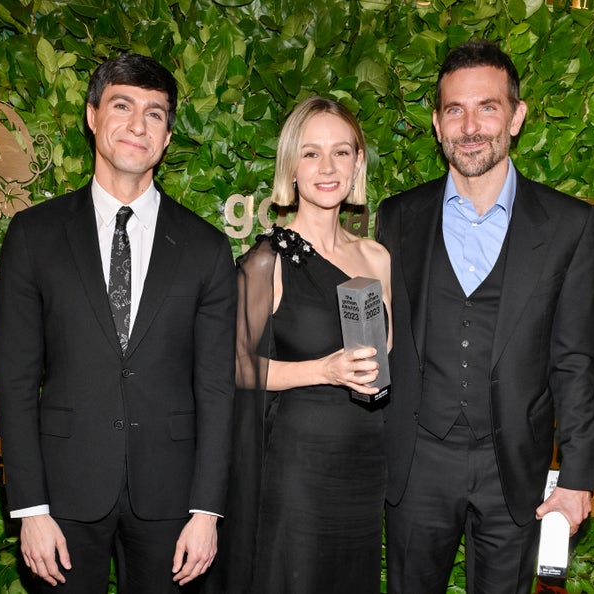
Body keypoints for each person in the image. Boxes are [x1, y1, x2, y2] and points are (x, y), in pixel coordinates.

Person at [0, 53, 236, 593]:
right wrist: (29, 508)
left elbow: (217, 388)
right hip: (61, 495)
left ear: (168, 136)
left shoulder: (206, 247)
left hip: (172, 500)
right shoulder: (34, 235)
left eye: (155, 113)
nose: (137, 124)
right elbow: (13, 380)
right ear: (91, 115)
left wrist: (207, 511)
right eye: (122, 105)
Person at [376, 40, 594, 594]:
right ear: (436, 123)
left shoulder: (569, 224)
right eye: (455, 109)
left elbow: (573, 358)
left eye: (488, 107)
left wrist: (576, 477)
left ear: (517, 116)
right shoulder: (399, 216)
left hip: (515, 473)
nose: (471, 125)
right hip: (418, 465)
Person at [216, 96, 392, 594]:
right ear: (291, 166)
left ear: (358, 163)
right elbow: (236, 367)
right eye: (311, 153)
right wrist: (325, 370)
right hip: (297, 465)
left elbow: (385, 358)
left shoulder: (376, 258)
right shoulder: (266, 261)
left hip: (364, 461)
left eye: (341, 152)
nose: (327, 167)